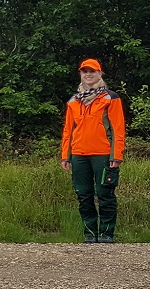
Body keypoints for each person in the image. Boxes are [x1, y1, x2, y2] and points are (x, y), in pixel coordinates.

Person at [61, 58, 125, 243]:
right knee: (83, 194)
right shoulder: (74, 100)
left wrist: (116, 155)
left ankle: (106, 234)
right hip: (79, 155)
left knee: (105, 194)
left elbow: (117, 128)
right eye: (84, 71)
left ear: (99, 74)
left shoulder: (110, 98)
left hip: (103, 154)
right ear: (81, 74)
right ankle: (90, 233)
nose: (88, 74)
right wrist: (66, 155)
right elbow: (68, 130)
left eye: (92, 71)